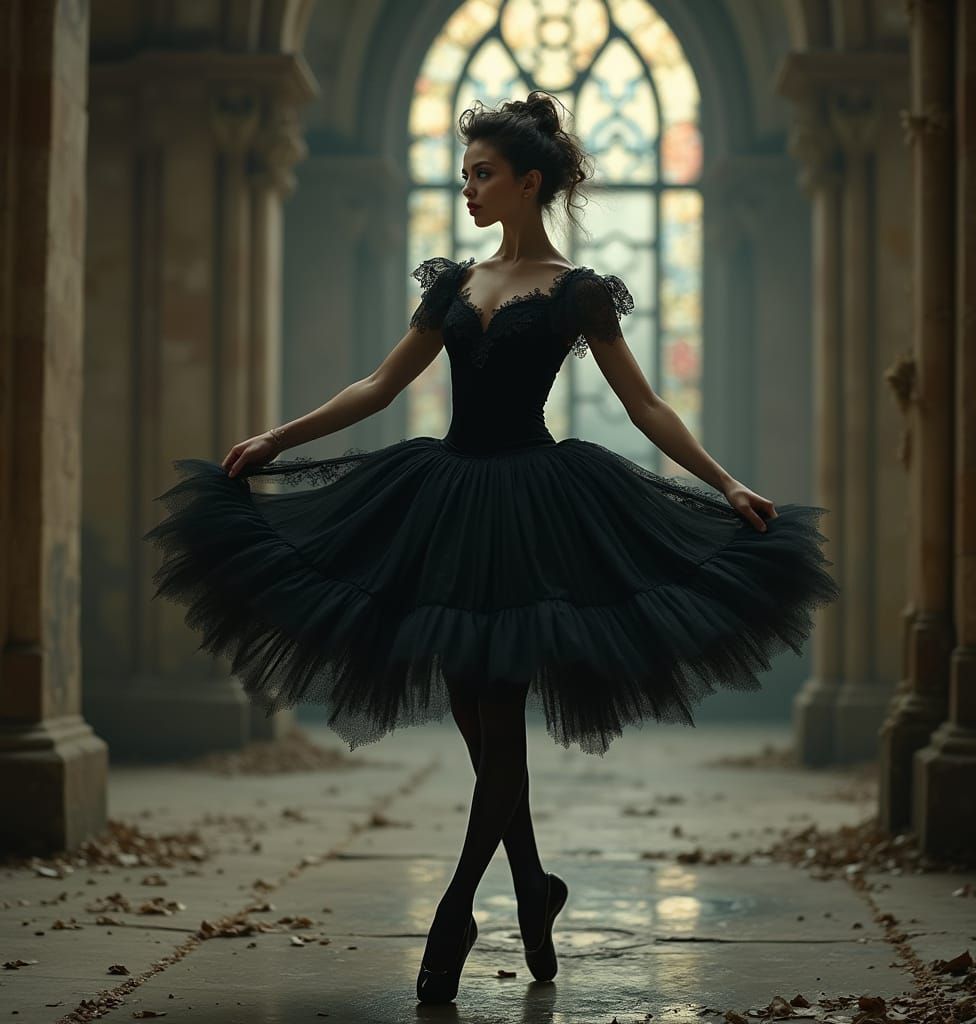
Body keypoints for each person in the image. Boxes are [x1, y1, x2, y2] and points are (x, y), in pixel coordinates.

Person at [143, 91, 840, 1005]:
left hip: (535, 508)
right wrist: (280, 437)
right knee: (481, 723)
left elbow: (645, 405)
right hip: (446, 499)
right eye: (463, 174)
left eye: (482, 174)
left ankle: (457, 908)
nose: (467, 188)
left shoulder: (578, 292)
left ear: (529, 182)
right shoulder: (454, 283)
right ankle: (534, 888)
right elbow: (380, 384)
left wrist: (726, 483)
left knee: (497, 716)